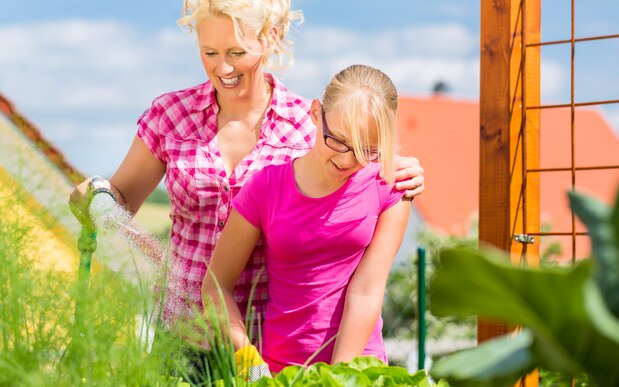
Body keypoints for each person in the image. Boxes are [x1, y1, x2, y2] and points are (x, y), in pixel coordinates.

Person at [68, 0, 424, 346]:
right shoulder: (171, 115)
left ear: (269, 38)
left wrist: (398, 167)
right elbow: (122, 199)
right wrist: (97, 198)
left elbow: (358, 166)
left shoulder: (309, 127)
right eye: (210, 53)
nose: (223, 67)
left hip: (262, 339)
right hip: (181, 332)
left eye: (236, 53)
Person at [203, 64, 411, 374]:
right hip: (275, 374)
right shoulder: (265, 187)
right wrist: (253, 369)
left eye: (365, 150)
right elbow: (215, 287)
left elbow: (367, 291)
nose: (346, 160)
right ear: (316, 113)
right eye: (337, 141)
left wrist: (340, 379)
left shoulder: (391, 186)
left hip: (359, 373)